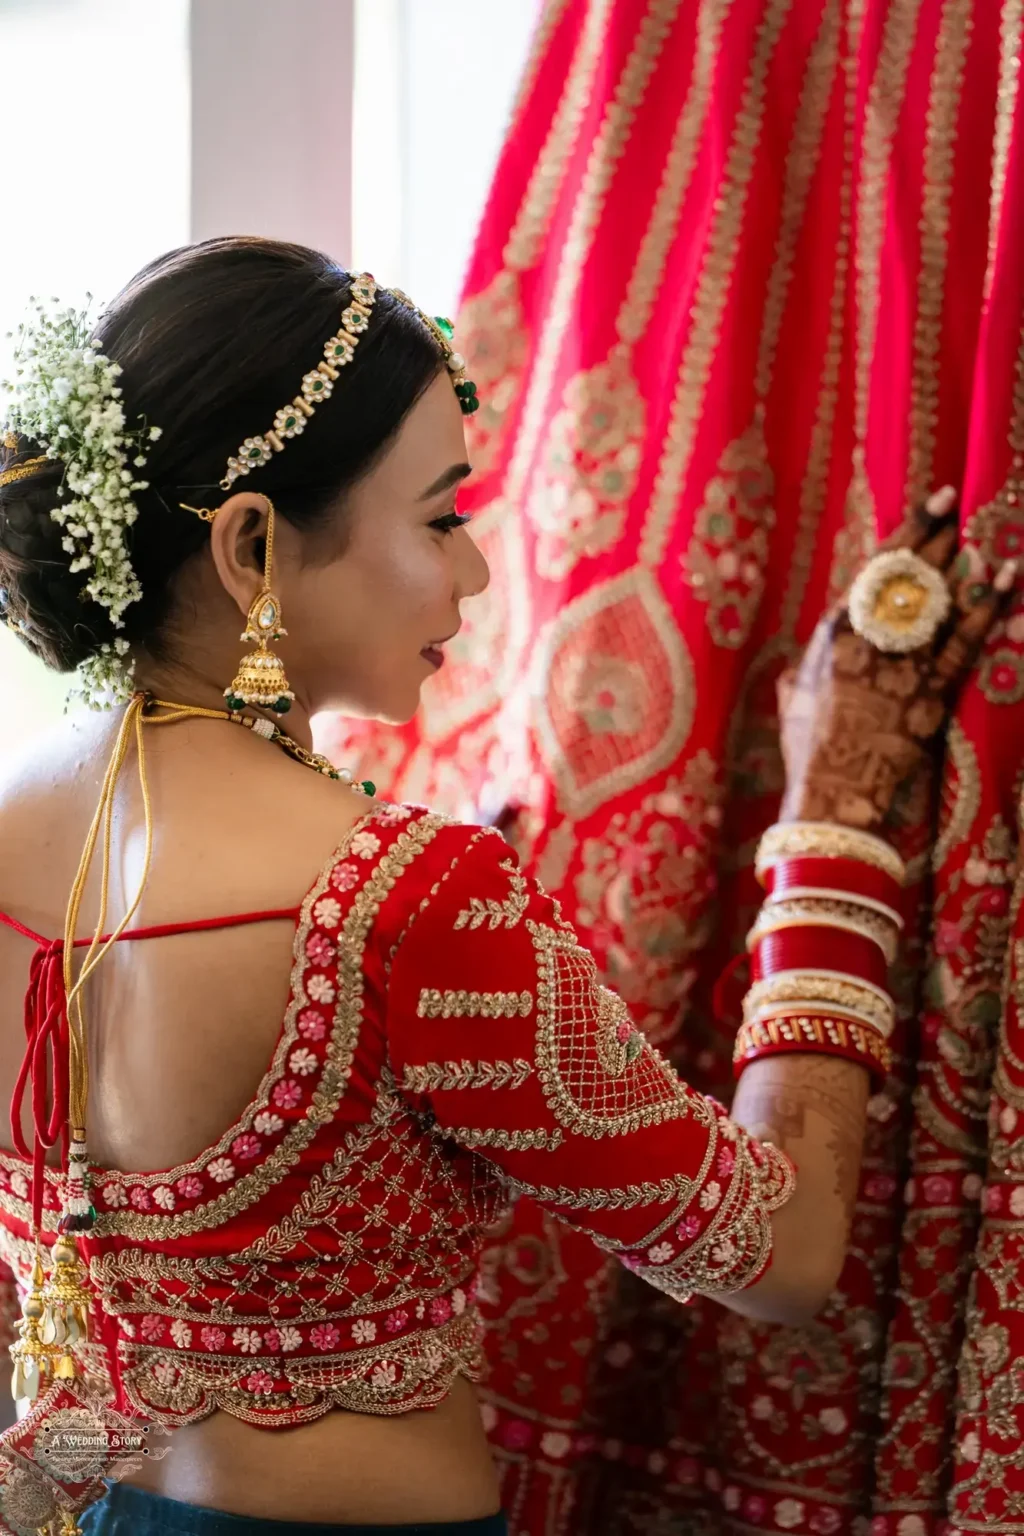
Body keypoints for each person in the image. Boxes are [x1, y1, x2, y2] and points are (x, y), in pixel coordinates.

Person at [0, 237, 1007, 1536]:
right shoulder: (405, 902)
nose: (475, 574)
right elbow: (790, 1251)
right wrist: (838, 825)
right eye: (439, 519)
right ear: (252, 545)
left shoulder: (21, 824)